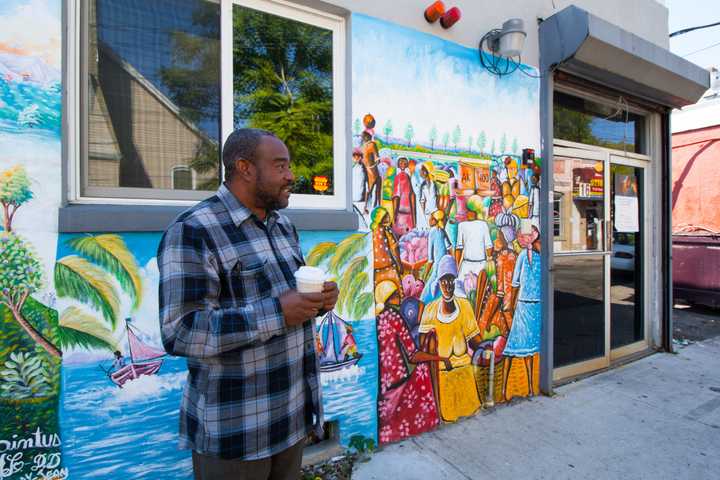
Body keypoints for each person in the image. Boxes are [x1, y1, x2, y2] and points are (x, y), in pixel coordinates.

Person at [158, 128, 339, 480]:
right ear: (245, 168)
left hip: (290, 420)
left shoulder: (283, 227)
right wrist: (277, 312)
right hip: (235, 434)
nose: (291, 176)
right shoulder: (194, 231)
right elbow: (180, 331)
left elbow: (289, 303)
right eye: (280, 166)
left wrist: (318, 303)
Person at [375, 280, 444, 444]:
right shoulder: (395, 317)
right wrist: (438, 358)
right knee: (422, 371)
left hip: (384, 381)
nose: (400, 296)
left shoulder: (378, 319)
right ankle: (425, 422)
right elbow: (413, 354)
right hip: (398, 379)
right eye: (396, 294)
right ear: (389, 298)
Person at [419, 255, 484, 422]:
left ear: (455, 282)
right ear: (439, 283)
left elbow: (474, 340)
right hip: (443, 377)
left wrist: (486, 347)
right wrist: (440, 358)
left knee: (472, 418)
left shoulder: (464, 306)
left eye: (450, 280)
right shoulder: (430, 310)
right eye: (443, 281)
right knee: (450, 418)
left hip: (465, 374)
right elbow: (422, 348)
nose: (447, 285)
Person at [502, 226, 542, 401]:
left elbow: (515, 283)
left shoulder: (523, 257)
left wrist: (510, 306)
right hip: (536, 305)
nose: (518, 240)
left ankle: (507, 390)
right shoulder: (539, 256)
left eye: (520, 236)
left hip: (525, 305)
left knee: (514, 349)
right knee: (529, 350)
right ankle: (531, 388)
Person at [454, 195, 493, 291]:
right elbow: (459, 249)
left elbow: (489, 248)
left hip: (479, 265)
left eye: (470, 211)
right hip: (468, 264)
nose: (469, 213)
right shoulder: (462, 226)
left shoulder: (483, 225)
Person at [420, 210, 452, 304]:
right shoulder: (442, 231)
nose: (429, 220)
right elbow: (450, 248)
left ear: (436, 220)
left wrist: (424, 277)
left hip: (437, 268)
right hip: (445, 266)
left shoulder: (432, 232)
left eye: (432, 218)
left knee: (424, 298)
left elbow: (430, 260)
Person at [371, 207, 403, 297]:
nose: (388, 218)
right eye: (385, 216)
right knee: (398, 292)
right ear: (380, 218)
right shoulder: (386, 230)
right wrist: (399, 264)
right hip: (389, 267)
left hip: (376, 269)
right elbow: (394, 247)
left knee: (379, 296)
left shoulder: (372, 232)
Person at [392, 156, 416, 236]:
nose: (403, 164)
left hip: (402, 213)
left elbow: (396, 196)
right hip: (406, 213)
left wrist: (394, 215)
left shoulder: (401, 176)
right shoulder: (404, 176)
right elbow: (397, 196)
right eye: (401, 162)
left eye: (404, 163)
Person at [361, 131, 382, 211]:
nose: (363, 138)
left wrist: (377, 160)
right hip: (368, 168)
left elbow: (376, 156)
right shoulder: (364, 145)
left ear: (368, 136)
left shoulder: (372, 144)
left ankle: (374, 206)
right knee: (369, 188)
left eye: (364, 136)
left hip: (371, 169)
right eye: (363, 137)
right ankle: (368, 207)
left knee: (371, 188)